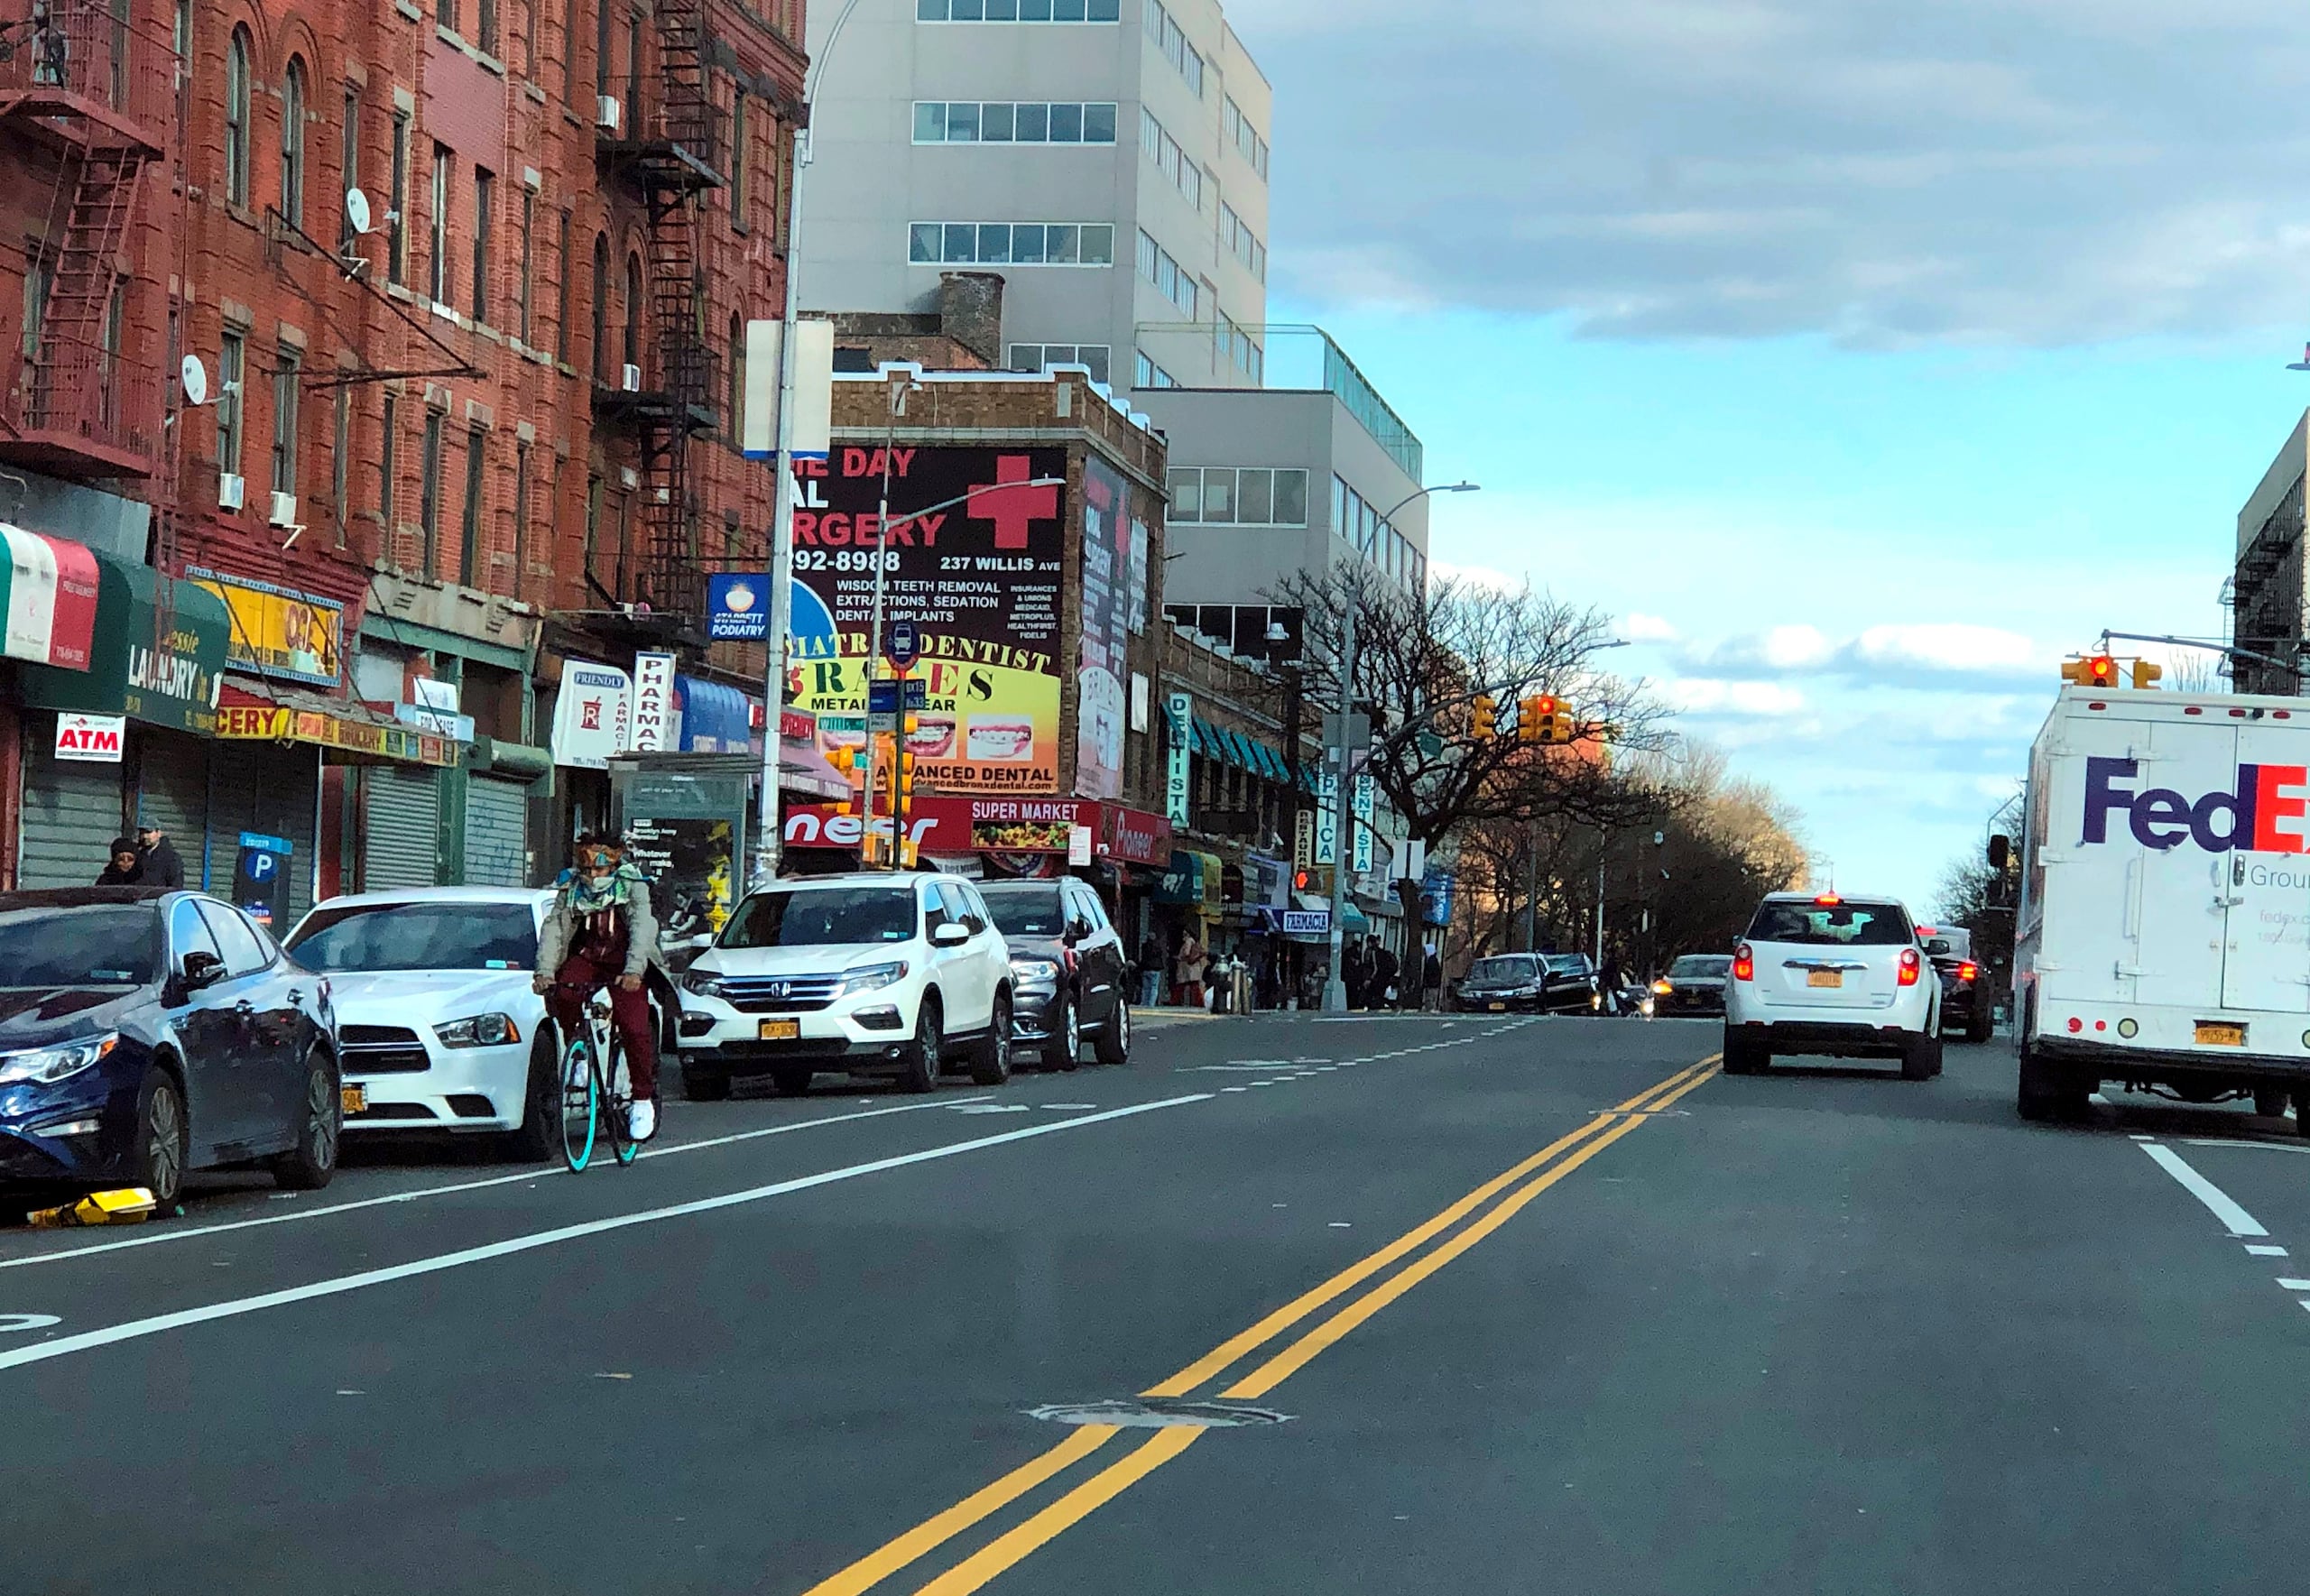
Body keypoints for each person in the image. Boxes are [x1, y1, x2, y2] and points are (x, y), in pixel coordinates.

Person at [534, 831, 661, 1141]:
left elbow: (643, 929)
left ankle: (642, 1099)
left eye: (600, 869)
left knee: (634, 1027)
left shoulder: (634, 886)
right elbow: (555, 929)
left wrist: (634, 971)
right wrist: (545, 971)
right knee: (564, 993)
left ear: (614, 866)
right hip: (588, 955)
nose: (593, 876)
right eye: (589, 869)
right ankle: (579, 1053)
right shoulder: (572, 887)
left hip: (624, 960)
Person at [134, 823, 185, 890]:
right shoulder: (138, 855)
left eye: (149, 832)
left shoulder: (171, 858)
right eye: (142, 833)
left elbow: (175, 886)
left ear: (159, 833)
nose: (145, 836)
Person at [1174, 931, 1209, 1010]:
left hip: (1187, 967)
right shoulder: (1195, 942)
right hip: (1194, 967)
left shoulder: (1188, 941)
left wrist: (1179, 957)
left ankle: (1176, 1001)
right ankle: (1197, 1002)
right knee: (1194, 985)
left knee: (1183, 984)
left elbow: (1186, 953)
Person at [1371, 939, 1401, 1011]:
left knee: (1376, 994)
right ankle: (1388, 1004)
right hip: (1385, 978)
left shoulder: (1374, 953)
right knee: (1380, 994)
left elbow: (1376, 968)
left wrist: (1371, 978)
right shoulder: (1384, 953)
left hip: (1378, 978)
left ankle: (1380, 1005)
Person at [1138, 931, 1166, 1008]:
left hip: (1146, 969)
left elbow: (1143, 958)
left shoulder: (1145, 946)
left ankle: (1144, 1003)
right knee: (1154, 987)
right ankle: (1151, 1004)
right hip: (1156, 969)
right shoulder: (1158, 947)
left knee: (1145, 988)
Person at [1422, 946, 1445, 1011]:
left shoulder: (1431, 961)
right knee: (1432, 997)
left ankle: (1431, 1009)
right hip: (1434, 983)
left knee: (1430, 997)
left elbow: (1430, 973)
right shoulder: (1433, 959)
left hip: (1432, 984)